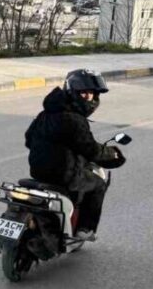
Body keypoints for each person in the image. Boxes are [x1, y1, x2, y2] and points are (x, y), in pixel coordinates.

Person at [24, 69, 123, 241]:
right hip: (64, 176)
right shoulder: (74, 120)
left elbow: (28, 139)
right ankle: (85, 229)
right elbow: (91, 150)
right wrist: (113, 154)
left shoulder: (46, 114)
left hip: (38, 171)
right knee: (98, 184)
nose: (87, 96)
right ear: (72, 92)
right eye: (83, 92)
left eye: (91, 93)